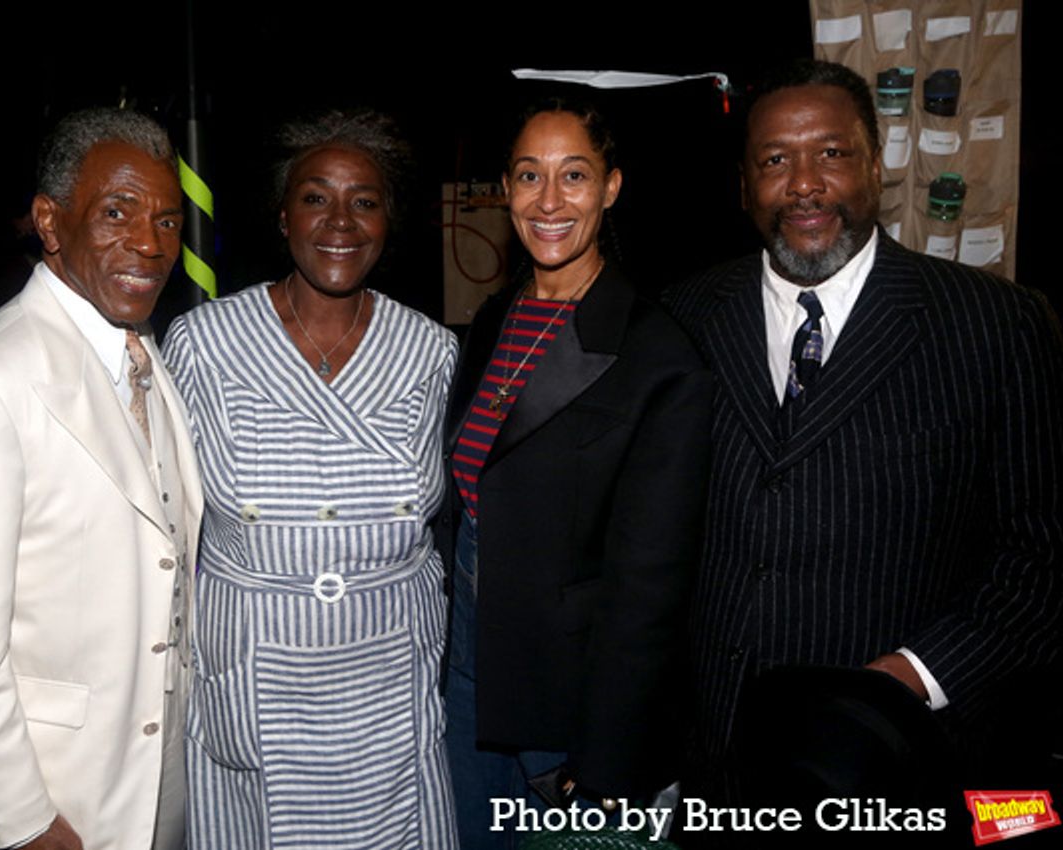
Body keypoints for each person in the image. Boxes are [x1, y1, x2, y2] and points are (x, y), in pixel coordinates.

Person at [662, 59, 1063, 809]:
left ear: (877, 167)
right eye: (776, 160)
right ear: (745, 185)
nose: (805, 183)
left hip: (905, 762)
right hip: (719, 766)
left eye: (832, 154)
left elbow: (1041, 558)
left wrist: (910, 679)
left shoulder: (994, 325)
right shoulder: (681, 319)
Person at [0, 108, 201, 850]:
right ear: (50, 221)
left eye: (167, 221)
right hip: (62, 802)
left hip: (167, 784)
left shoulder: (144, 355)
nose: (150, 242)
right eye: (116, 212)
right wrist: (23, 822)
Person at [162, 109, 458, 849]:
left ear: (389, 221)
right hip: (258, 688)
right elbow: (163, 528)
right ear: (282, 213)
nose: (341, 221)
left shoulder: (430, 350)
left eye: (365, 200)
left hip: (388, 688)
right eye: (316, 197)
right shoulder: (203, 343)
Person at [442, 98, 712, 848]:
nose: (550, 200)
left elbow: (650, 586)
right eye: (530, 176)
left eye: (574, 175)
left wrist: (603, 762)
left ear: (612, 186)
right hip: (473, 675)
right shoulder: (496, 319)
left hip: (570, 709)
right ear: (506, 187)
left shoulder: (659, 355)